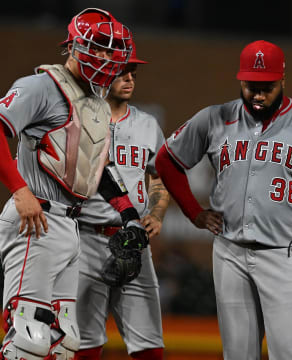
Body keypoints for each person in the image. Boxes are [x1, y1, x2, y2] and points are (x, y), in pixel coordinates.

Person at [155, 40, 292, 360]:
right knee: (238, 355)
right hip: (229, 254)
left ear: (282, 81)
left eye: (267, 86)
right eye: (251, 86)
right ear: (241, 81)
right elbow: (167, 160)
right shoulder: (215, 118)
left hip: (285, 256)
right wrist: (194, 212)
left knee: (291, 354)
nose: (258, 94)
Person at [0, 8, 136, 360]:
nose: (108, 58)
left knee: (65, 343)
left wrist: (128, 213)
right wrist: (18, 189)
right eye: (100, 49)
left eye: (113, 51)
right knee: (28, 340)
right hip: (36, 218)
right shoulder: (41, 87)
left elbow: (99, 168)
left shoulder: (96, 102)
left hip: (70, 225)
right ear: (76, 47)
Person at [74, 41, 169, 360]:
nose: (129, 79)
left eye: (133, 73)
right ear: (102, 74)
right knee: (84, 343)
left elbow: (159, 177)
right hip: (86, 236)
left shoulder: (147, 125)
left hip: (133, 241)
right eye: (122, 72)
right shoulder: (79, 119)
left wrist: (156, 213)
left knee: (150, 344)